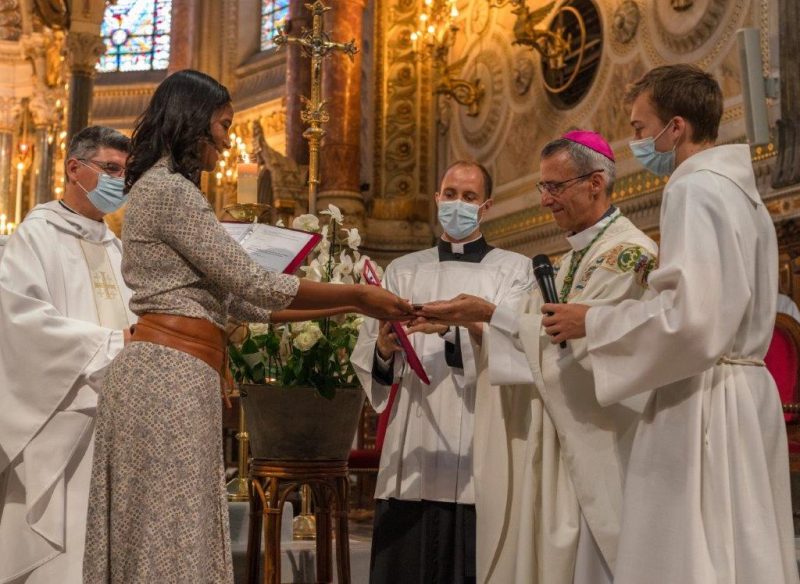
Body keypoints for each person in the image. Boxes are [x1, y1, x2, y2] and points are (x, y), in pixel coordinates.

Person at [81, 70, 411, 583]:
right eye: (222, 124)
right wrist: (356, 293)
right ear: (194, 122)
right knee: (168, 532)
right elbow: (252, 282)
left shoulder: (161, 189)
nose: (226, 137)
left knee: (169, 528)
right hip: (167, 376)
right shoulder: (170, 191)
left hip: (176, 371)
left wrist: (352, 307)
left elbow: (247, 305)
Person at [540, 65, 799, 583]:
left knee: (687, 550)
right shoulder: (741, 192)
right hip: (744, 391)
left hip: (703, 396)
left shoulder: (693, 189)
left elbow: (692, 321)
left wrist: (597, 321)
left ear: (675, 128)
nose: (635, 141)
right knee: (737, 545)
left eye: (640, 128)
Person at [419, 132, 657, 583]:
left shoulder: (627, 256)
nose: (546, 200)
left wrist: (488, 313)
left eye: (555, 187)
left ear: (595, 182)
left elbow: (589, 353)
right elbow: (527, 334)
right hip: (553, 447)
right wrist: (471, 325)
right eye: (542, 188)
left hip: (595, 448)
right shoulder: (568, 264)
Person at [351, 160, 534, 583]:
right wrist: (383, 346)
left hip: (476, 441)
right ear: (436, 199)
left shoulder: (513, 271)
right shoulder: (402, 270)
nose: (457, 204)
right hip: (411, 446)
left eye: (469, 197)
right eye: (450, 194)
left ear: (485, 207)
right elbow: (369, 355)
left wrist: (456, 329)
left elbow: (519, 348)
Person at [0, 126, 134, 584]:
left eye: (125, 172)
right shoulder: (35, 237)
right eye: (111, 169)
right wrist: (116, 344)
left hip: (119, 421)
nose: (120, 181)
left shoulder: (118, 250)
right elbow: (21, 328)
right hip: (60, 423)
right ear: (75, 168)